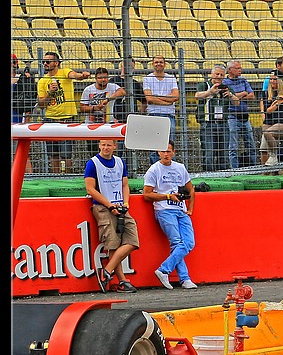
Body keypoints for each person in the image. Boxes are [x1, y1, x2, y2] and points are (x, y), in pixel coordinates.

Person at [84, 138, 138, 293]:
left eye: (108, 145)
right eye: (103, 144)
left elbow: (125, 184)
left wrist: (125, 203)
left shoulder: (120, 162)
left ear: (115, 146)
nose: (105, 147)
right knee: (113, 244)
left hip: (120, 206)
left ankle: (106, 271)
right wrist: (109, 205)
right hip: (103, 207)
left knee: (132, 241)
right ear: (99, 145)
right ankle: (122, 281)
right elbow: (90, 189)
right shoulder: (92, 163)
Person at [142, 141, 198, 289]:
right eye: (163, 151)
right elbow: (147, 194)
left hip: (180, 210)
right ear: (158, 153)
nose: (166, 154)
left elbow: (191, 189)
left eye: (168, 151)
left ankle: (164, 270)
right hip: (164, 210)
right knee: (177, 242)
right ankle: (184, 278)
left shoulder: (180, 168)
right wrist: (167, 196)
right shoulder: (153, 170)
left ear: (174, 152)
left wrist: (190, 208)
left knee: (189, 242)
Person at [36, 51, 91, 174]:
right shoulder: (42, 81)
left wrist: (82, 76)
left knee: (67, 153)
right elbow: (41, 104)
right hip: (50, 118)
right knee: (53, 154)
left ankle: (67, 175)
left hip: (67, 118)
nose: (45, 63)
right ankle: (55, 176)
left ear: (56, 63)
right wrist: (50, 93)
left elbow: (74, 75)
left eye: (48, 61)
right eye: (44, 61)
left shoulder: (64, 72)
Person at [193, 64, 231, 172]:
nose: (219, 76)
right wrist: (210, 92)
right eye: (217, 74)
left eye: (221, 75)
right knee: (208, 152)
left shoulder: (225, 87)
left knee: (224, 152)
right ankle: (208, 174)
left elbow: (237, 102)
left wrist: (231, 95)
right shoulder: (204, 85)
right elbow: (197, 95)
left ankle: (223, 174)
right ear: (211, 74)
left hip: (223, 123)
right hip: (207, 123)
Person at [142, 55, 179, 164]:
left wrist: (156, 97)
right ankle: (155, 168)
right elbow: (149, 99)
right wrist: (168, 101)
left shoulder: (171, 78)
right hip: (153, 114)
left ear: (165, 64)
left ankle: (170, 167)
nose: (159, 64)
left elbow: (176, 96)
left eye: (161, 62)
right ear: (153, 64)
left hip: (169, 115)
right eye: (156, 62)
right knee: (154, 145)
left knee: (169, 144)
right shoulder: (147, 78)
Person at [222, 60, 256, 168]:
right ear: (230, 70)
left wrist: (236, 96)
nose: (240, 70)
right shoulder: (225, 82)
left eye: (240, 68)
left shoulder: (243, 80)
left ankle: (254, 168)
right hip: (232, 116)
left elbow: (252, 96)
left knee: (251, 144)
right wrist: (244, 93)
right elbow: (227, 96)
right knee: (233, 146)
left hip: (245, 116)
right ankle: (235, 169)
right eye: (237, 68)